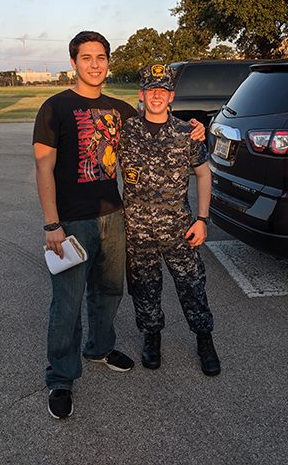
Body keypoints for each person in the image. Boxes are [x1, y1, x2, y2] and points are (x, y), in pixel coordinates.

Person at [32, 31, 204, 419]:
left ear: (108, 62)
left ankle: (99, 347)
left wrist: (196, 127)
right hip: (72, 221)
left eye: (101, 57)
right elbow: (43, 166)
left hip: (115, 215)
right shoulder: (54, 108)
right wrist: (51, 224)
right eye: (86, 57)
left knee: (109, 291)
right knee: (67, 302)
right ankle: (61, 377)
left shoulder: (121, 111)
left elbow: (161, 123)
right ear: (73, 62)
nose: (95, 64)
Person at [118, 63, 221, 376]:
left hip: (178, 228)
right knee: (145, 287)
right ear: (142, 94)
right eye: (151, 90)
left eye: (162, 90)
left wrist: (202, 219)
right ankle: (152, 338)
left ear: (171, 95)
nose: (157, 96)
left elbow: (204, 174)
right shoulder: (126, 132)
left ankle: (205, 340)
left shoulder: (186, 133)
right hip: (137, 230)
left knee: (192, 286)